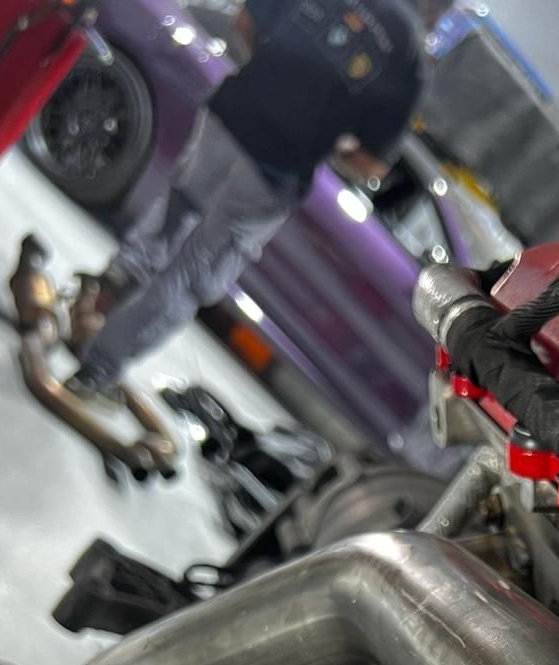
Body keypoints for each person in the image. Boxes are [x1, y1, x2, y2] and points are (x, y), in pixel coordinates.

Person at [69, 0, 425, 400]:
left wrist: (271, 77)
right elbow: (371, 163)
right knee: (190, 273)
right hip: (277, 166)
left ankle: (99, 301)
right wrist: (329, 138)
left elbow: (245, 19)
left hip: (231, 115)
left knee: (177, 208)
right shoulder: (406, 50)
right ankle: (98, 366)